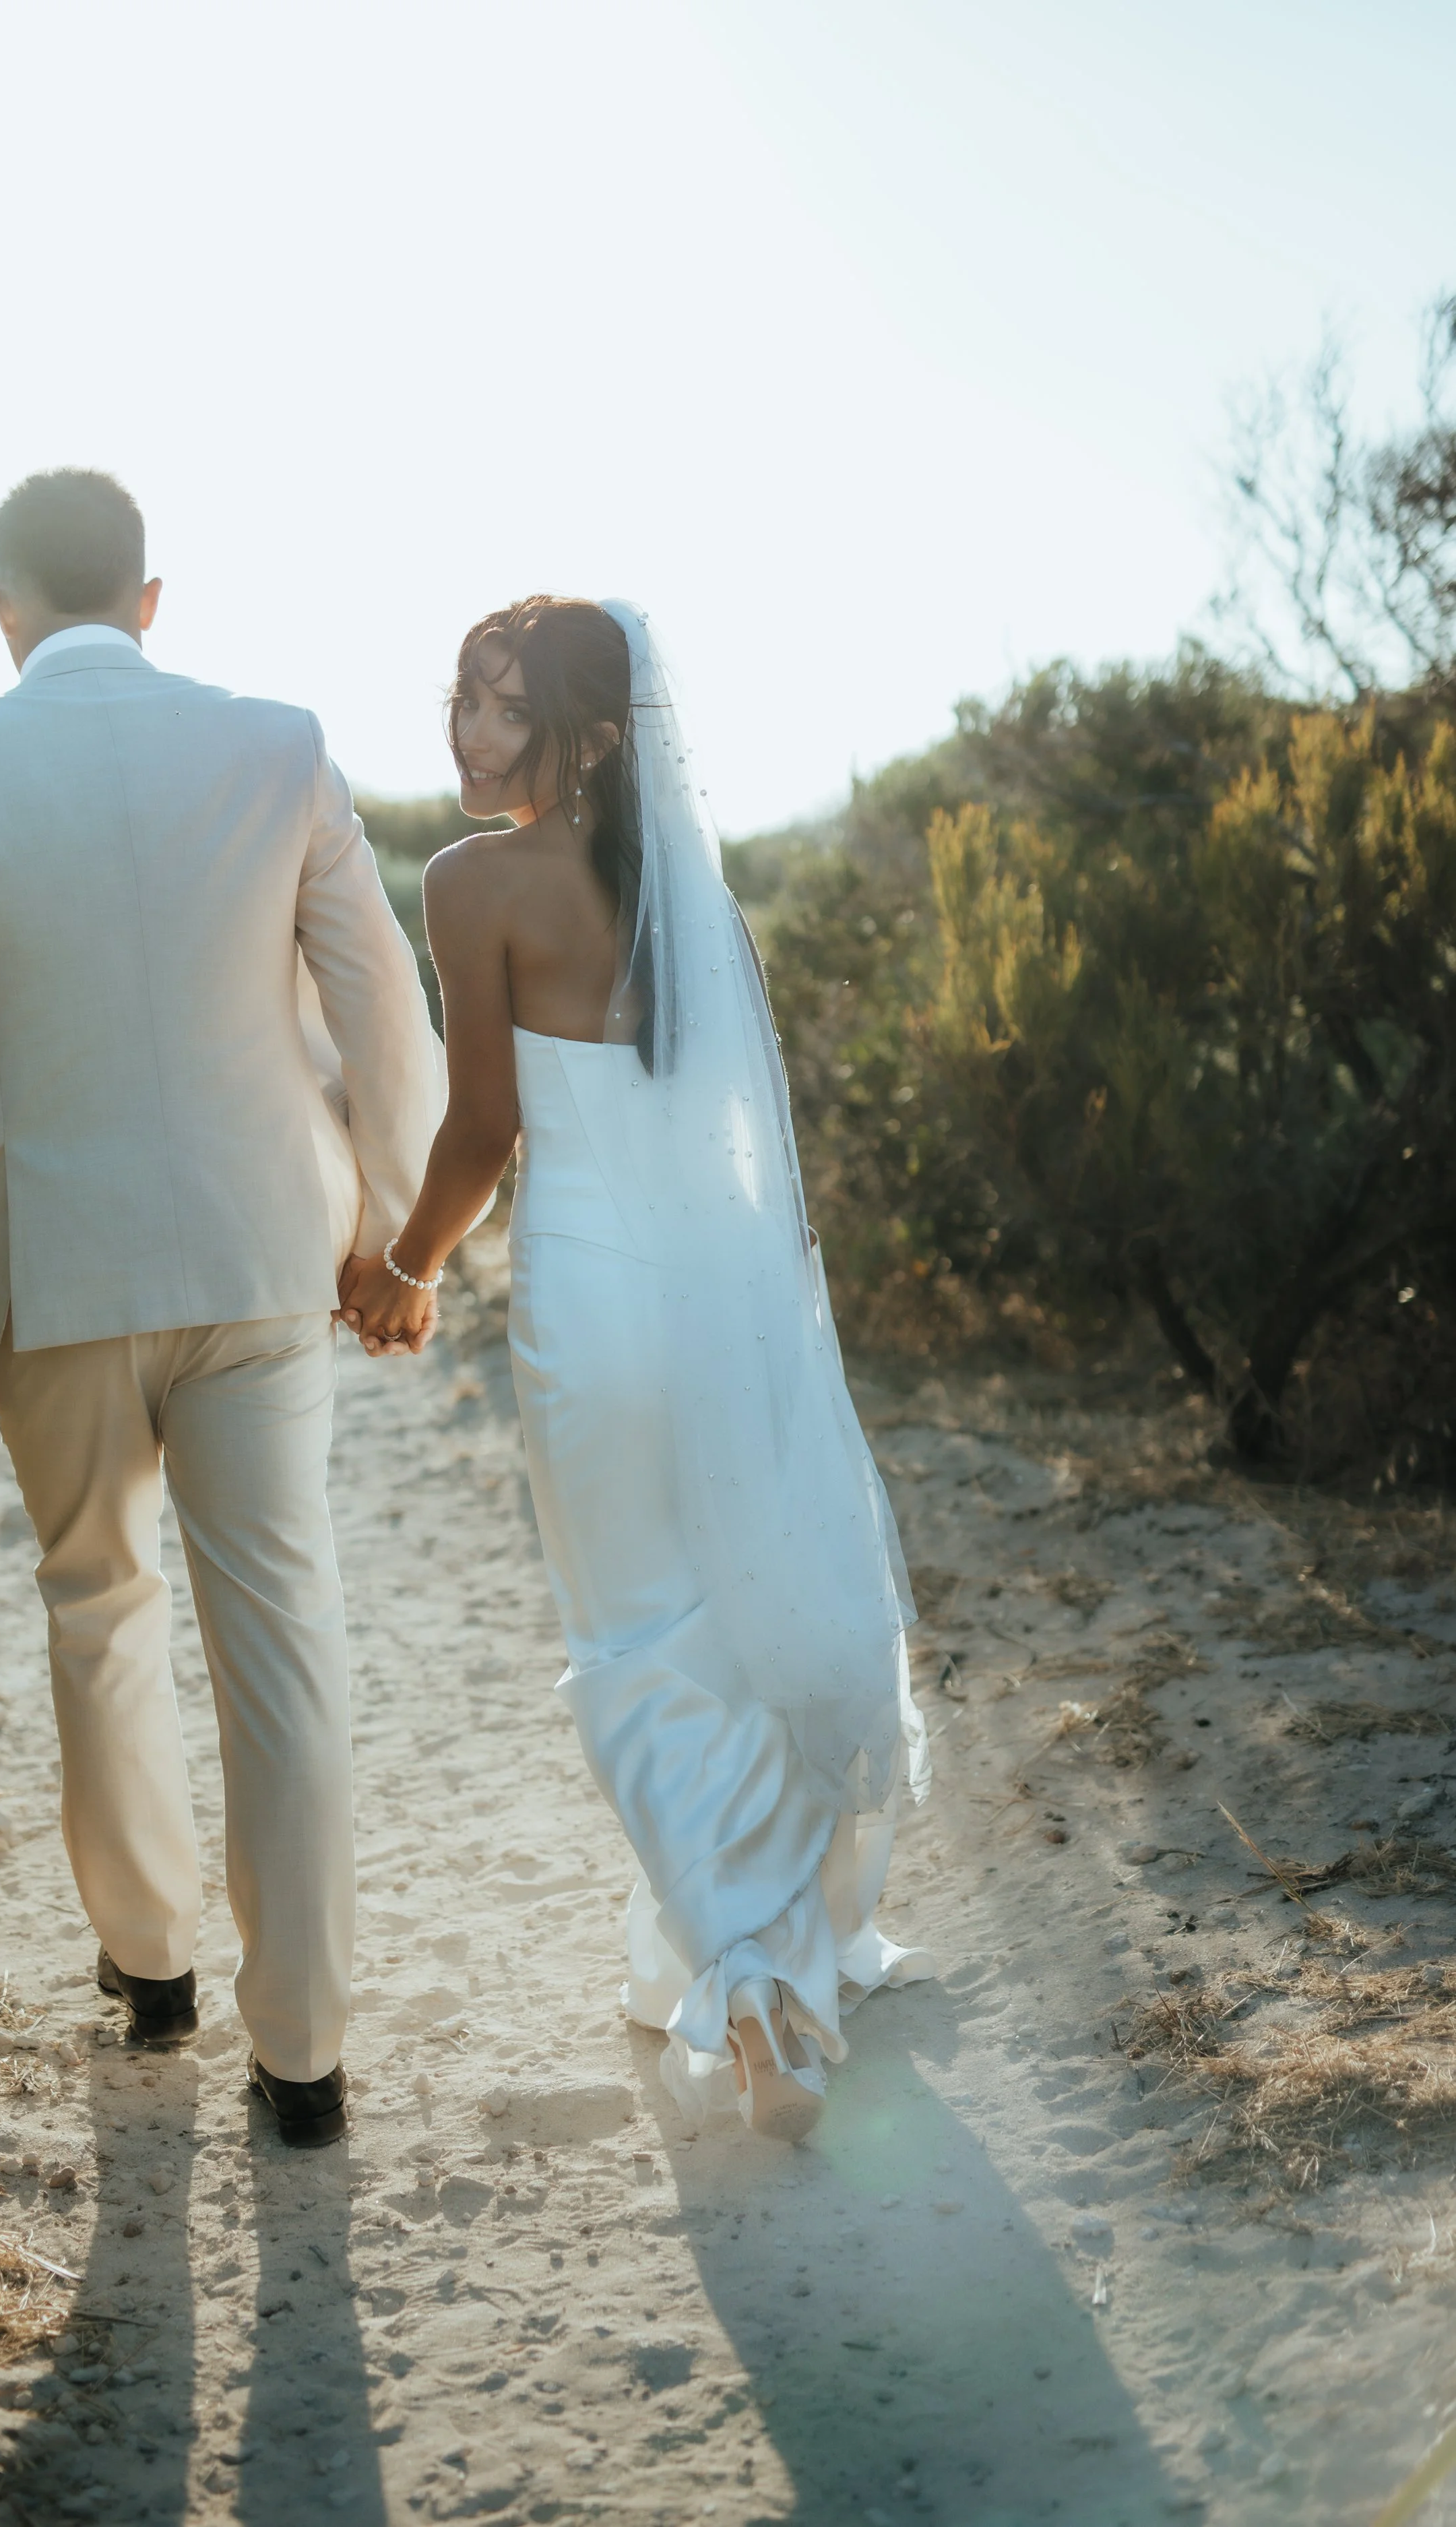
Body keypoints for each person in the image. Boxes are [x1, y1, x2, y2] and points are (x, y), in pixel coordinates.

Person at [0, 469, 443, 2146]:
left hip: (58, 1267)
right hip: (263, 1261)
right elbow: (381, 1007)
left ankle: (152, 1964)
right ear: (152, 597)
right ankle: (305, 2057)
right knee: (285, 1637)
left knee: (97, 1605)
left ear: (0, 607)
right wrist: (399, 1237)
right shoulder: (276, 746)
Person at [340, 596, 931, 2140]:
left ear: (591, 735)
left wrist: (405, 1271)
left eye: (502, 707)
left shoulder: (470, 885)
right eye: (460, 699)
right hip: (717, 1310)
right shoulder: (702, 908)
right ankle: (763, 1951)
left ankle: (741, 1983)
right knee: (726, 1624)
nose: (466, 734)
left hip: (590, 1313)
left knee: (628, 1642)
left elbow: (484, 1132)